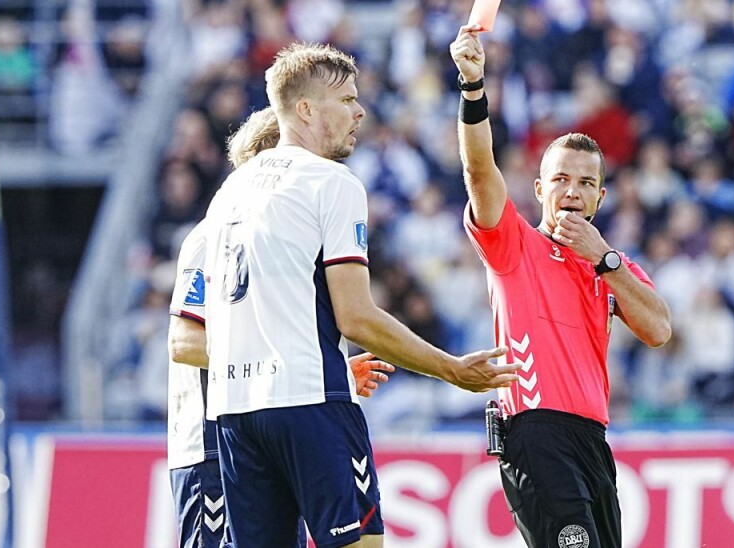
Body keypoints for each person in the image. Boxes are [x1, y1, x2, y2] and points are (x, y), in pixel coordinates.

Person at [202, 42, 520, 548]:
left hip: (235, 410)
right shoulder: (332, 182)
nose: (360, 111)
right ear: (305, 109)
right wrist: (451, 368)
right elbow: (356, 319)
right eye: (347, 100)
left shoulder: (229, 194)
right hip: (310, 403)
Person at [450, 26, 672, 548]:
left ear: (599, 197)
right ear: (539, 189)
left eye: (586, 183)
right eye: (561, 180)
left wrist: (605, 259)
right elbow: (478, 170)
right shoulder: (514, 245)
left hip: (592, 439)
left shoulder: (611, 264)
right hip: (535, 431)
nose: (572, 192)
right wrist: (474, 88)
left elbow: (660, 329)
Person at [167, 107, 395, 548]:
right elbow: (184, 340)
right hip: (212, 445)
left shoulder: (278, 237)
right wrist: (292, 361)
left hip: (266, 419)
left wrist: (326, 368)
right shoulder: (211, 235)